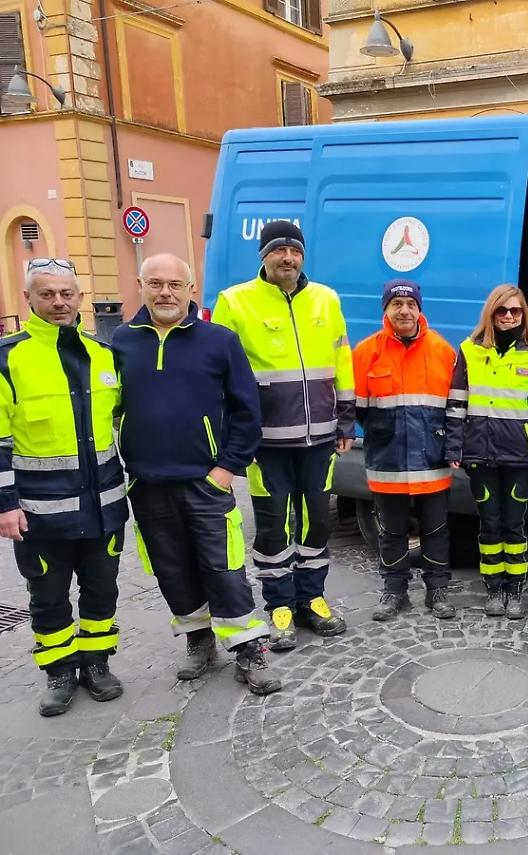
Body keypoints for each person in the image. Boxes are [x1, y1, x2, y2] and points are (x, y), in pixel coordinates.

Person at [113, 254, 280, 695]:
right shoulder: (120, 343)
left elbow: (248, 412)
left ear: (191, 289)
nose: (165, 292)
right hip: (147, 484)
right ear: (141, 285)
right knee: (171, 567)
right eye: (155, 284)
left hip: (205, 480)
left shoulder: (219, 341)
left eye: (175, 284)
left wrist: (227, 469)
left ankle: (247, 648)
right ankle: (199, 638)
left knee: (223, 566)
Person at [212, 221, 353, 650]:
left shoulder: (326, 299)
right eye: (279, 251)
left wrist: (346, 417)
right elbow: (217, 373)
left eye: (295, 251)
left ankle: (312, 598)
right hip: (264, 442)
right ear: (264, 256)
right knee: (272, 526)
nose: (288, 258)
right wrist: (232, 437)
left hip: (320, 438)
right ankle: (280, 605)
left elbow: (341, 357)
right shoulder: (235, 301)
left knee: (315, 522)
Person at [0, 258, 127, 716]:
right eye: (47, 294)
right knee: (48, 596)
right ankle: (58, 671)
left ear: (79, 298)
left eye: (66, 294)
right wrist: (5, 504)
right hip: (40, 512)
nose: (58, 302)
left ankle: (96, 663)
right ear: (28, 299)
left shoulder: (103, 353)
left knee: (101, 590)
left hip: (104, 506)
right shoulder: (8, 357)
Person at [445, 285, 528, 618]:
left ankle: (515, 592)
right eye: (502, 311)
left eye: (516, 311)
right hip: (481, 455)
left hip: (519, 457)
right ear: (491, 314)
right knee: (489, 526)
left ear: (524, 315)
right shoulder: (469, 351)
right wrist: (454, 445)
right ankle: (493, 589)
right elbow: (455, 404)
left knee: (515, 527)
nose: (509, 316)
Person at [354, 280, 457, 621]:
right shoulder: (367, 352)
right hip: (389, 459)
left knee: (435, 530)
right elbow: (356, 407)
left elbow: (454, 408)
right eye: (396, 304)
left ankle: (438, 591)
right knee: (392, 531)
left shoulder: (442, 351)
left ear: (419, 309)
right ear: (386, 310)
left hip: (431, 459)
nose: (404, 310)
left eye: (410, 304)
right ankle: (394, 591)